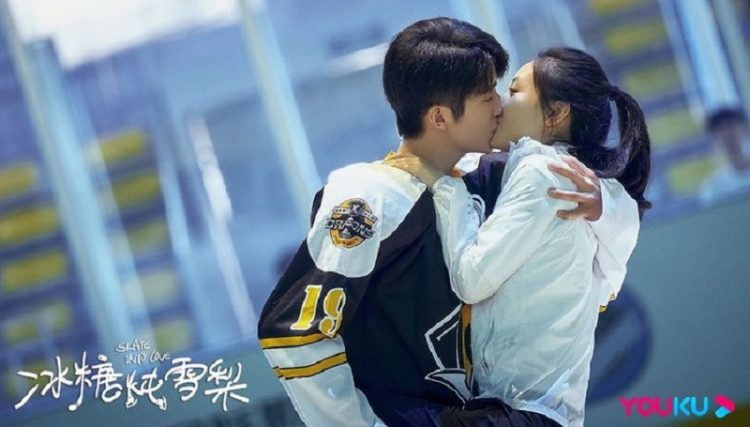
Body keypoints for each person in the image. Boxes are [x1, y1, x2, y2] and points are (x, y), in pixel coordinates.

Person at [257, 19, 637, 426]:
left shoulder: (496, 177)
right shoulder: (367, 197)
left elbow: (598, 256)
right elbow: (294, 332)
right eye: (487, 95)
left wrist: (605, 206)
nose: (500, 106)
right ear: (439, 117)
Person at [386, 47, 650, 427]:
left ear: (556, 113)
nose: (499, 104)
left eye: (514, 91)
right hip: (526, 413)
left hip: (520, 414)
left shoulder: (544, 173)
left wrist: (444, 184)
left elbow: (472, 278)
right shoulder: (559, 174)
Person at [699, 106, 750, 204]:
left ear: (744, 128)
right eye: (720, 129)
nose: (727, 133)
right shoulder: (715, 188)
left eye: (731, 125)